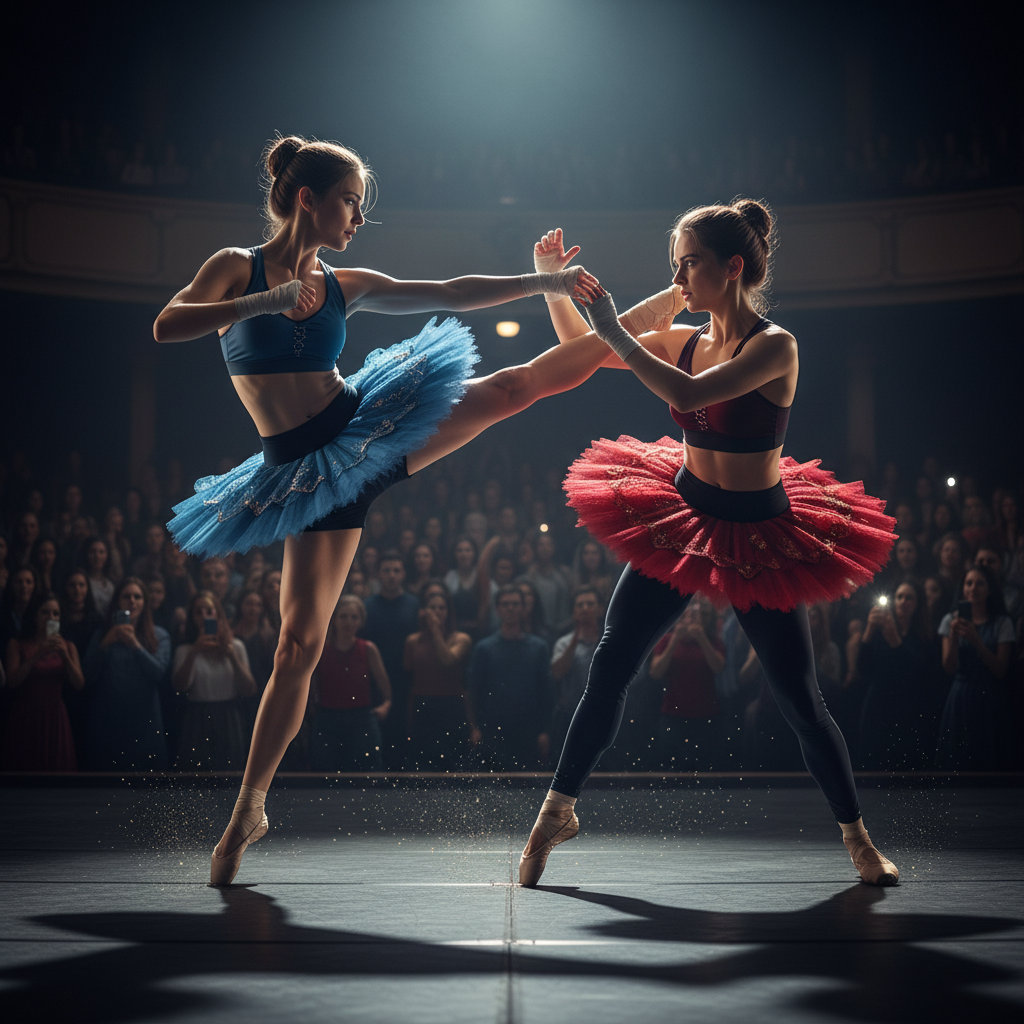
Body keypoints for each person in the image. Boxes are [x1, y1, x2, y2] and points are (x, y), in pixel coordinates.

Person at [152, 135, 609, 883]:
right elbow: (168, 324)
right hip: (302, 471)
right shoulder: (239, 267)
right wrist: (267, 301)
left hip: (364, 426)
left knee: (508, 390)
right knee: (298, 646)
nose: (358, 219)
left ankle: (624, 336)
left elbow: (451, 291)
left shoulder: (346, 281)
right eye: (351, 203)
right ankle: (248, 811)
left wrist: (541, 283)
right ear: (309, 199)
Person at [518, 207, 899, 888]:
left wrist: (616, 326)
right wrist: (553, 287)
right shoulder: (684, 337)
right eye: (676, 262)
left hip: (760, 532)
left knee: (800, 700)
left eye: (689, 262)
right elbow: (582, 356)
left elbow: (686, 393)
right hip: (686, 515)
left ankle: (857, 836)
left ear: (733, 267)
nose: (678, 277)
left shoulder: (775, 346)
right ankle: (558, 808)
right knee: (611, 661)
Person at [83, 577, 171, 770]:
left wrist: (136, 645)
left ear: (144, 603)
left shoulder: (159, 635)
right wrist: (105, 644)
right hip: (108, 720)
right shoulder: (101, 635)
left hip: (144, 719)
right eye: (127, 596)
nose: (132, 601)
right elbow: (87, 675)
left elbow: (158, 673)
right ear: (117, 602)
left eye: (137, 597)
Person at [934, 566, 1015, 769]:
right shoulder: (949, 620)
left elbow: (1000, 669)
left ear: (989, 589)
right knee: (958, 757)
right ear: (963, 588)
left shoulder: (1002, 623)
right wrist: (953, 638)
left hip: (991, 697)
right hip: (960, 696)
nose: (973, 588)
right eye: (969, 583)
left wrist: (975, 639)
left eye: (980, 583)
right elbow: (949, 667)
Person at [854, 582, 939, 769]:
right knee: (875, 761)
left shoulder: (925, 634)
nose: (903, 602)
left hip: (910, 708)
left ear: (918, 603)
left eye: (909, 598)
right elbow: (862, 668)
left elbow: (917, 674)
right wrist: (869, 630)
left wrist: (896, 642)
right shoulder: (879, 629)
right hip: (878, 703)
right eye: (899, 597)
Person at [467, 585, 551, 769]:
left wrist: (544, 730)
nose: (510, 608)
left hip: (528, 731)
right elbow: (473, 691)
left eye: (515, 604)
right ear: (497, 609)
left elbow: (546, 693)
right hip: (492, 730)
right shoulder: (484, 648)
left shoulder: (539, 648)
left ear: (524, 608)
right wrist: (474, 728)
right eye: (505, 604)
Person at [172, 591, 256, 770]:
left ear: (218, 614)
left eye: (209, 611)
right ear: (192, 617)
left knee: (230, 773)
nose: (204, 616)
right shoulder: (184, 650)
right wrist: (195, 651)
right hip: (197, 716)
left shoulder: (237, 647)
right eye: (198, 612)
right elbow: (180, 687)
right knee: (196, 775)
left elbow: (249, 689)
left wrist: (231, 655)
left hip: (229, 716)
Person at [1, 591, 83, 770]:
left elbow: (79, 684)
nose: (51, 617)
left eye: (56, 613)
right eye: (45, 612)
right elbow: (12, 682)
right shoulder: (17, 644)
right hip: (26, 714)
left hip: (55, 714)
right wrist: (37, 654)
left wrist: (64, 655)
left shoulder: (68, 646)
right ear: (35, 616)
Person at [309, 595, 391, 771]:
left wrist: (385, 706)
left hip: (361, 719)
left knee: (366, 773)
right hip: (328, 719)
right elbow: (311, 686)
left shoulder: (368, 649)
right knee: (326, 774)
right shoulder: (321, 650)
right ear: (334, 619)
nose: (348, 622)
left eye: (354, 617)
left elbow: (386, 691)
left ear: (360, 621)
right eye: (343, 616)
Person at [649, 598, 726, 770]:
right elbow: (655, 672)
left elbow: (718, 667)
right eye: (685, 616)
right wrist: (676, 638)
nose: (689, 620)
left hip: (706, 714)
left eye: (694, 616)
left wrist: (701, 637)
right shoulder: (667, 640)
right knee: (671, 767)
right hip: (673, 713)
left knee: (706, 767)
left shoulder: (714, 641)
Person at [404, 588, 474, 769]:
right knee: (424, 763)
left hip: (452, 706)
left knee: (454, 764)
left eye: (442, 608)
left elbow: (447, 660)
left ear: (449, 612)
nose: (437, 612)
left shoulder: (461, 639)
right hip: (423, 706)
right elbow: (408, 674)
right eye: (432, 607)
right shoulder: (412, 641)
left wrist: (435, 630)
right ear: (424, 611)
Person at [549, 587, 603, 762]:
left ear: (600, 609)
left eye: (590, 604)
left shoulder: (610, 641)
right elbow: (557, 673)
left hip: (602, 716)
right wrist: (575, 639)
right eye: (580, 605)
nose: (585, 608)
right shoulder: (563, 643)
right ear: (573, 611)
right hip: (569, 717)